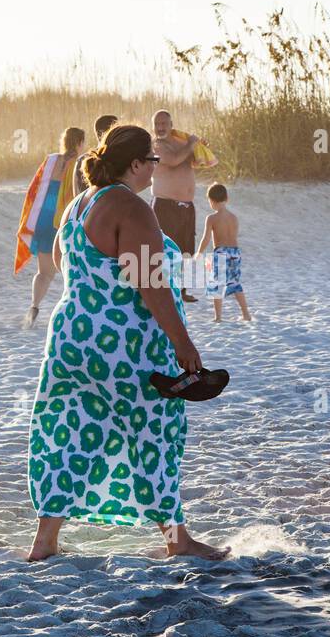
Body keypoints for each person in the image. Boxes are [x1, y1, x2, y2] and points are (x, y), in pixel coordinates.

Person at [26, 124, 229, 562]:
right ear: (136, 164)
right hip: (122, 344)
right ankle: (178, 540)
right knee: (152, 431)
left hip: (70, 337)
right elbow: (150, 282)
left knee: (68, 432)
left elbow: (66, 264)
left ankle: (44, 541)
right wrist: (183, 343)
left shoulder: (78, 206)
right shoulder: (131, 209)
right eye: (152, 162)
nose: (155, 169)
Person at [15, 128, 86, 327]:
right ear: (79, 142)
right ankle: (72, 312)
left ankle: (34, 307)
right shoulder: (80, 164)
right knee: (72, 270)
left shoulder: (51, 161)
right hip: (63, 219)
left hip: (43, 219)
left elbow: (33, 190)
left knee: (44, 272)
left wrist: (29, 221)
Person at [150, 109, 212, 302]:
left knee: (186, 248)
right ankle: (165, 290)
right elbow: (174, 160)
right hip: (165, 205)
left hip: (186, 205)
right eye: (157, 124)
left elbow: (197, 160)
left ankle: (182, 290)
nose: (160, 128)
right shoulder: (154, 147)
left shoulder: (180, 142)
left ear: (171, 124)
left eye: (164, 124)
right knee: (166, 249)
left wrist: (200, 147)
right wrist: (191, 144)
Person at [195, 182, 251, 322]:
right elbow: (233, 237)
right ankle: (246, 314)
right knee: (235, 283)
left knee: (216, 284)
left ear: (211, 201)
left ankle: (218, 317)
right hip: (235, 252)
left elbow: (206, 238)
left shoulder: (212, 218)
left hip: (220, 253)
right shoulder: (234, 218)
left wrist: (199, 253)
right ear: (227, 198)